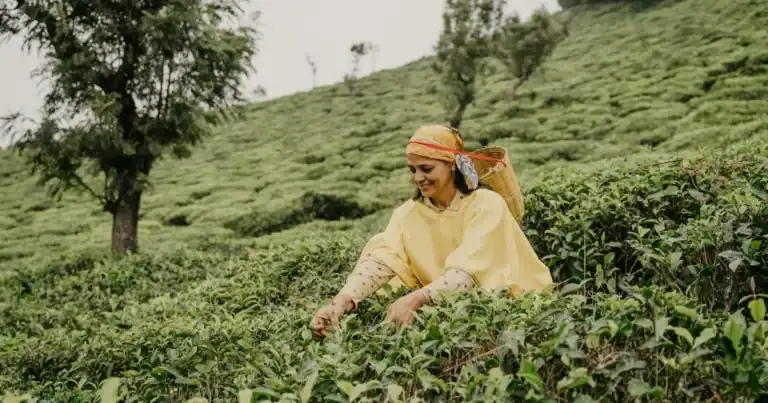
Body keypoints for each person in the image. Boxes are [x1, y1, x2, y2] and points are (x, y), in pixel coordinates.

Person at [310, 124, 553, 337]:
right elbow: (384, 258)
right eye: (413, 170)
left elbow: (469, 271)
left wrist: (417, 298)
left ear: (452, 166)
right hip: (454, 312)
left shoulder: (486, 204)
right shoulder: (407, 215)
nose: (418, 177)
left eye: (426, 169)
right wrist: (342, 301)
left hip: (519, 311)